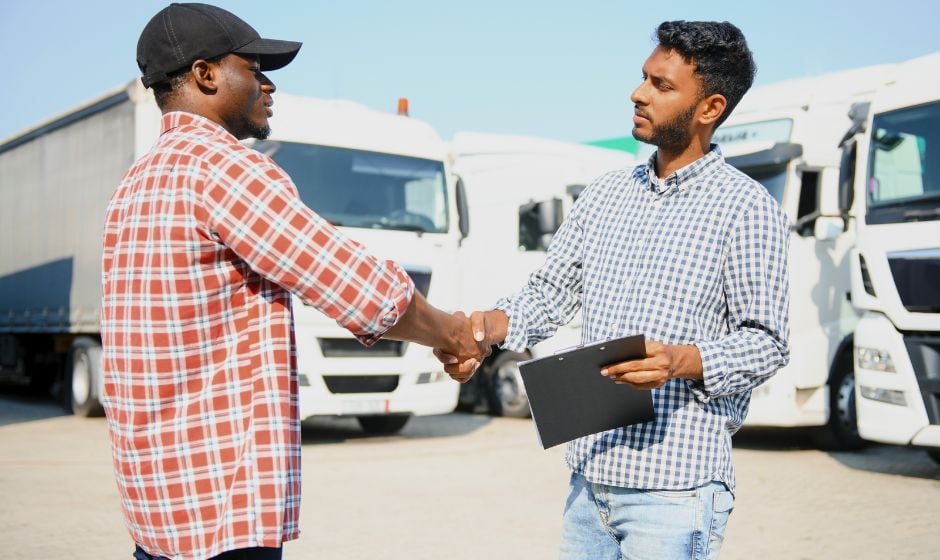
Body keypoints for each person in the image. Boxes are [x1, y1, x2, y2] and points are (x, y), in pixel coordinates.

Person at [100, 4, 485, 560]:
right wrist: (452, 334)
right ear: (206, 74)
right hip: (221, 506)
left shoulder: (135, 182)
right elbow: (359, 287)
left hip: (158, 506)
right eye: (254, 67)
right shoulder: (224, 168)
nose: (268, 83)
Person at [440, 20, 790, 559]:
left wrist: (680, 360)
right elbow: (548, 295)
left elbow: (767, 342)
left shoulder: (746, 208)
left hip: (676, 491)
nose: (638, 92)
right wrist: (482, 331)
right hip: (590, 478)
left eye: (662, 85)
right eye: (643, 77)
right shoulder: (605, 195)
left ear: (710, 108)